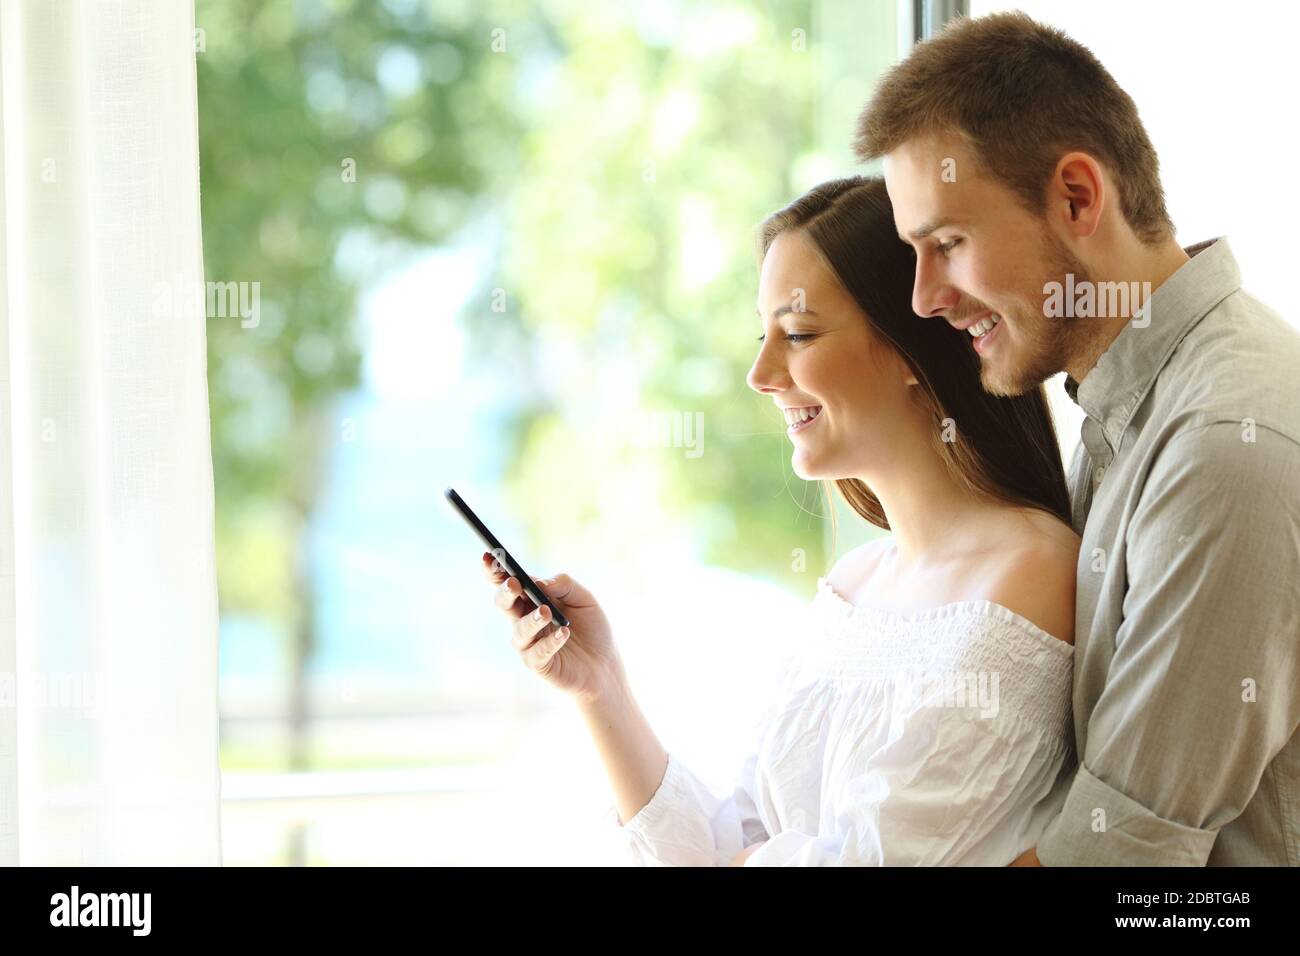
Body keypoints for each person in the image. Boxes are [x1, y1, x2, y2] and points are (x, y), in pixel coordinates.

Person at [481, 175, 1083, 865]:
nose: (761, 373)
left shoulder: (1026, 578)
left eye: (797, 333)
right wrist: (602, 686)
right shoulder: (855, 585)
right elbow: (730, 843)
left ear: (913, 347)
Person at [856, 11, 1300, 865]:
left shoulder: (1223, 445)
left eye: (946, 243)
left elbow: (1117, 860)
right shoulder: (1125, 415)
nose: (923, 298)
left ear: (1077, 197)